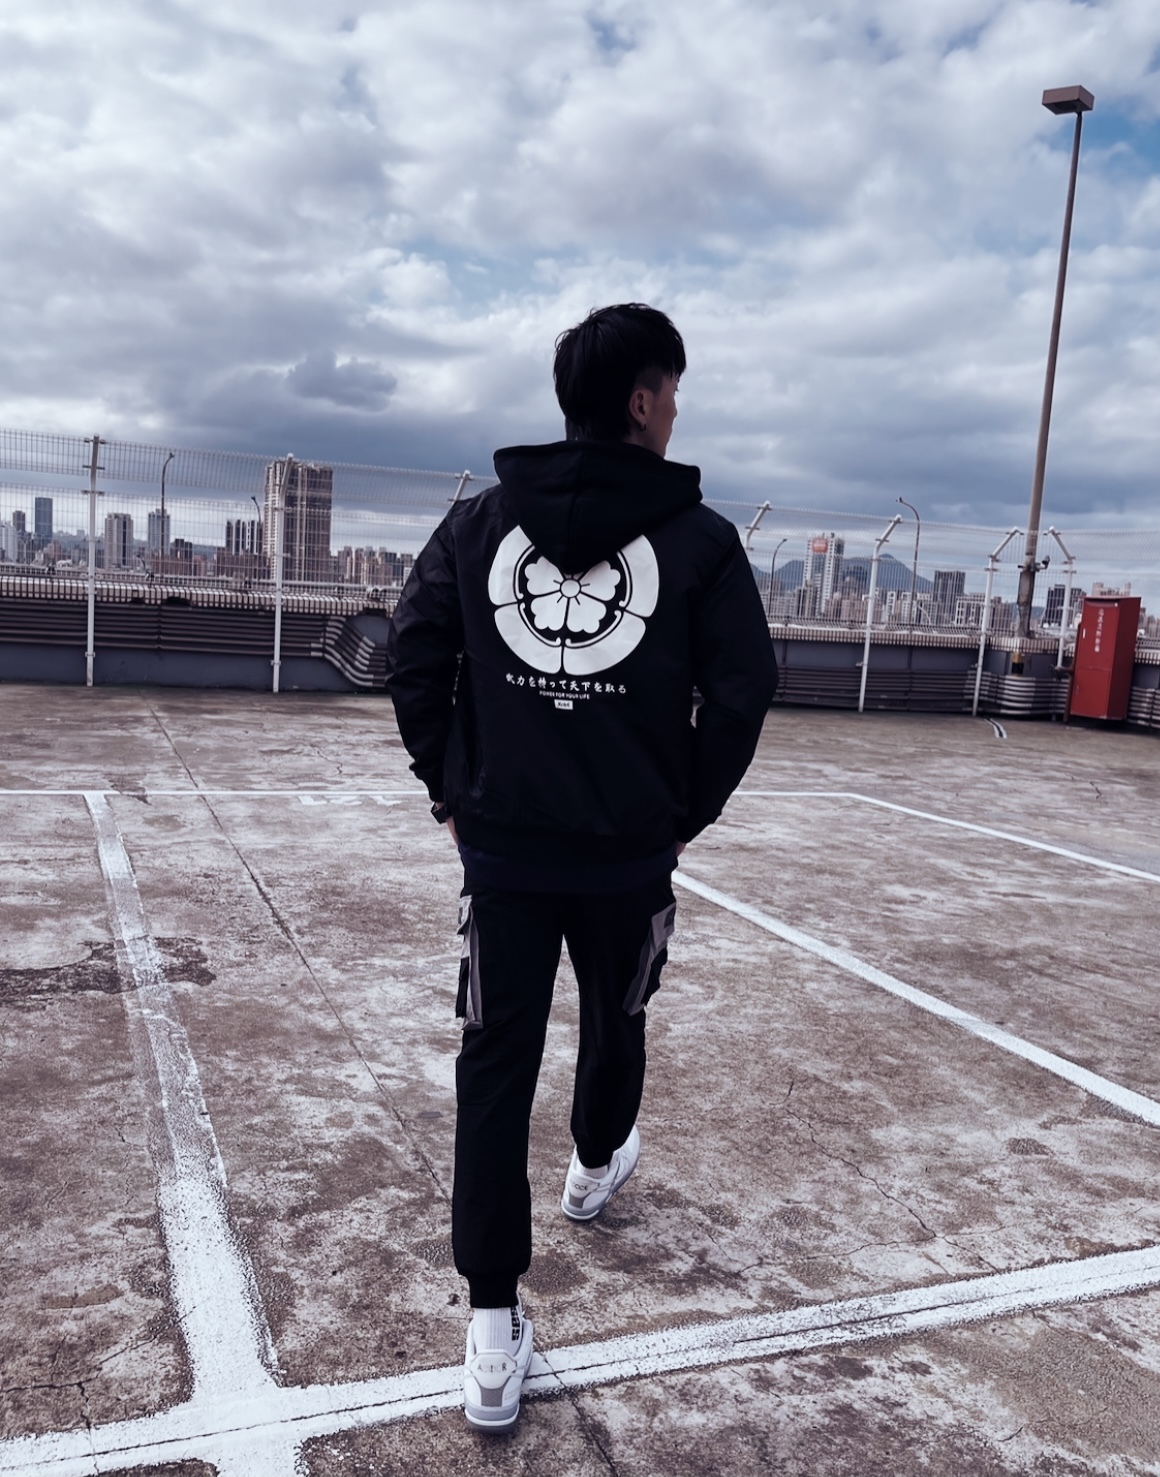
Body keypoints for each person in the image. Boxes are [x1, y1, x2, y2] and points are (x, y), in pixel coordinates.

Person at [386, 302, 777, 1429]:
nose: (676, 412)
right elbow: (743, 689)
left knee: (493, 1065)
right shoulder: (700, 541)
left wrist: (449, 788)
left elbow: (413, 653)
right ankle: (596, 1161)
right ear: (644, 401)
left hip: (504, 850)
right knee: (618, 1017)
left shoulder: (477, 524)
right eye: (674, 392)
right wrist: (684, 810)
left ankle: (490, 1331)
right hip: (627, 854)